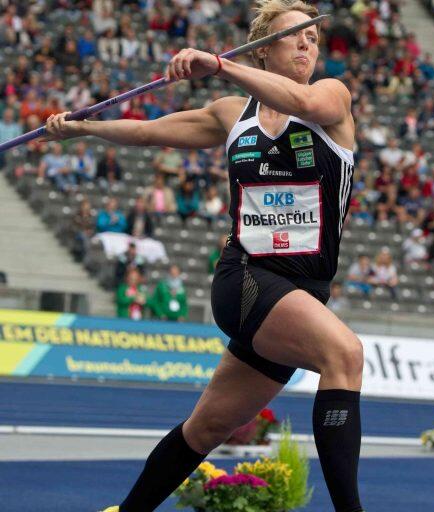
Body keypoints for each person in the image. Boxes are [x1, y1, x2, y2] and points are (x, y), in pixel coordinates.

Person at [44, 3, 364, 512]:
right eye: (294, 36)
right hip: (247, 279)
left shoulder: (330, 96)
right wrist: (84, 129)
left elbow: (303, 100)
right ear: (263, 49)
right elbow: (148, 132)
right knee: (345, 355)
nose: (307, 44)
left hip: (303, 295)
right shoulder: (232, 114)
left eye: (312, 38)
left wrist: (217, 64)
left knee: (207, 428)